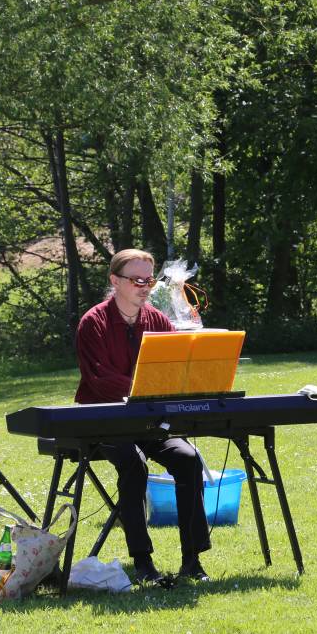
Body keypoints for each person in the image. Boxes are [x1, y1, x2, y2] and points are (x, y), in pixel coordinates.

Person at [75, 248, 211, 583]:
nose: (144, 286)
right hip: (105, 418)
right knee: (134, 465)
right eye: (136, 279)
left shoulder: (158, 321)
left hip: (151, 420)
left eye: (148, 279)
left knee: (188, 459)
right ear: (114, 280)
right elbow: (99, 379)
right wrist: (144, 386)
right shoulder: (92, 322)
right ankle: (143, 562)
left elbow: (171, 372)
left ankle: (192, 561)